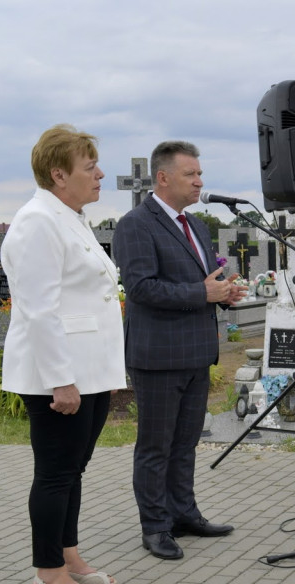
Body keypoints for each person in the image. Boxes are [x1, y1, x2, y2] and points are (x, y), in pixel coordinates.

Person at [1, 124, 125, 584]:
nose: (99, 174)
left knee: (74, 471)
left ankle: (68, 555)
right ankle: (47, 577)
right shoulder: (38, 221)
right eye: (89, 166)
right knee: (55, 473)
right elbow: (39, 309)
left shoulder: (70, 217)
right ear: (59, 174)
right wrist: (62, 380)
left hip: (88, 371)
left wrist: (102, 375)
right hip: (60, 375)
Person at [112, 141, 247, 560]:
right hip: (157, 355)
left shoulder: (197, 225)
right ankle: (155, 527)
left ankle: (184, 513)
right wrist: (201, 291)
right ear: (164, 177)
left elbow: (205, 281)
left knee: (186, 442)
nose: (200, 181)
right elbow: (140, 287)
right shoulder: (136, 224)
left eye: (200, 173)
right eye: (191, 174)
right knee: (156, 446)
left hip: (195, 351)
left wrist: (224, 293)